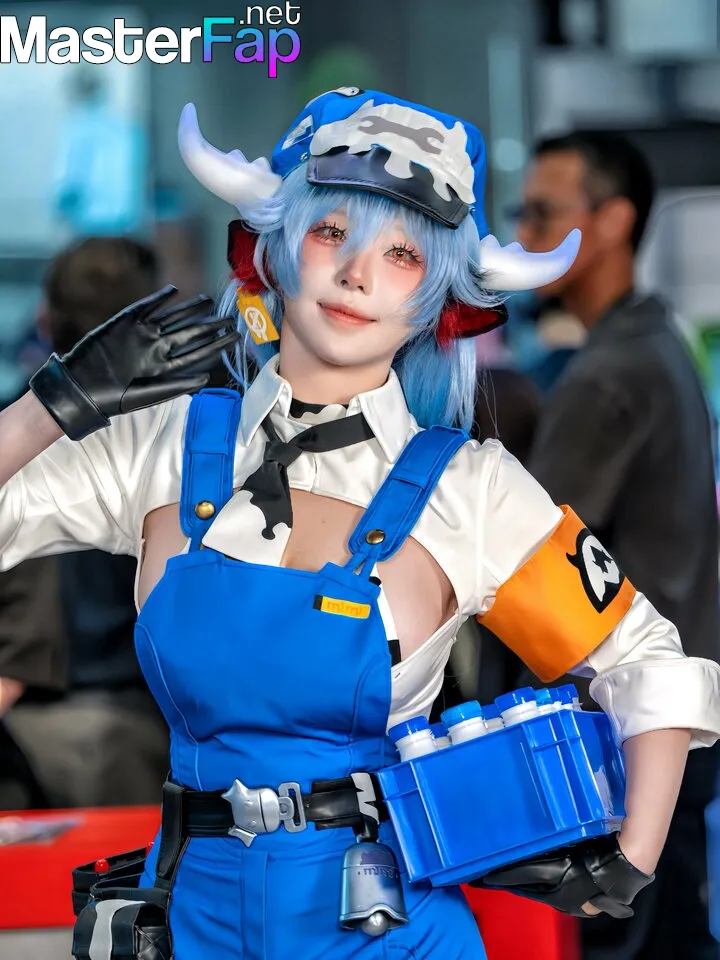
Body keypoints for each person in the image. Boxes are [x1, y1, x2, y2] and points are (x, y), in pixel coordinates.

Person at [0, 89, 719, 960]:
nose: (357, 274)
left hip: (385, 929)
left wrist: (630, 858)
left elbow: (646, 660)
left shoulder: (470, 490)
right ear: (272, 250)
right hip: (187, 916)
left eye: (403, 254)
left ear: (438, 299)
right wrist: (54, 403)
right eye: (331, 231)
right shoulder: (164, 445)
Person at [516, 130, 720, 959]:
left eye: (541, 214)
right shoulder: (655, 340)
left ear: (612, 222)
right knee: (675, 937)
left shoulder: (609, 374)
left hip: (624, 727)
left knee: (626, 940)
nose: (522, 236)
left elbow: (526, 556)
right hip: (675, 706)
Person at [3, 238, 171, 807]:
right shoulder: (191, 439)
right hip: (148, 726)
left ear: (46, 318)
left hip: (21, 729)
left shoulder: (12, 432)